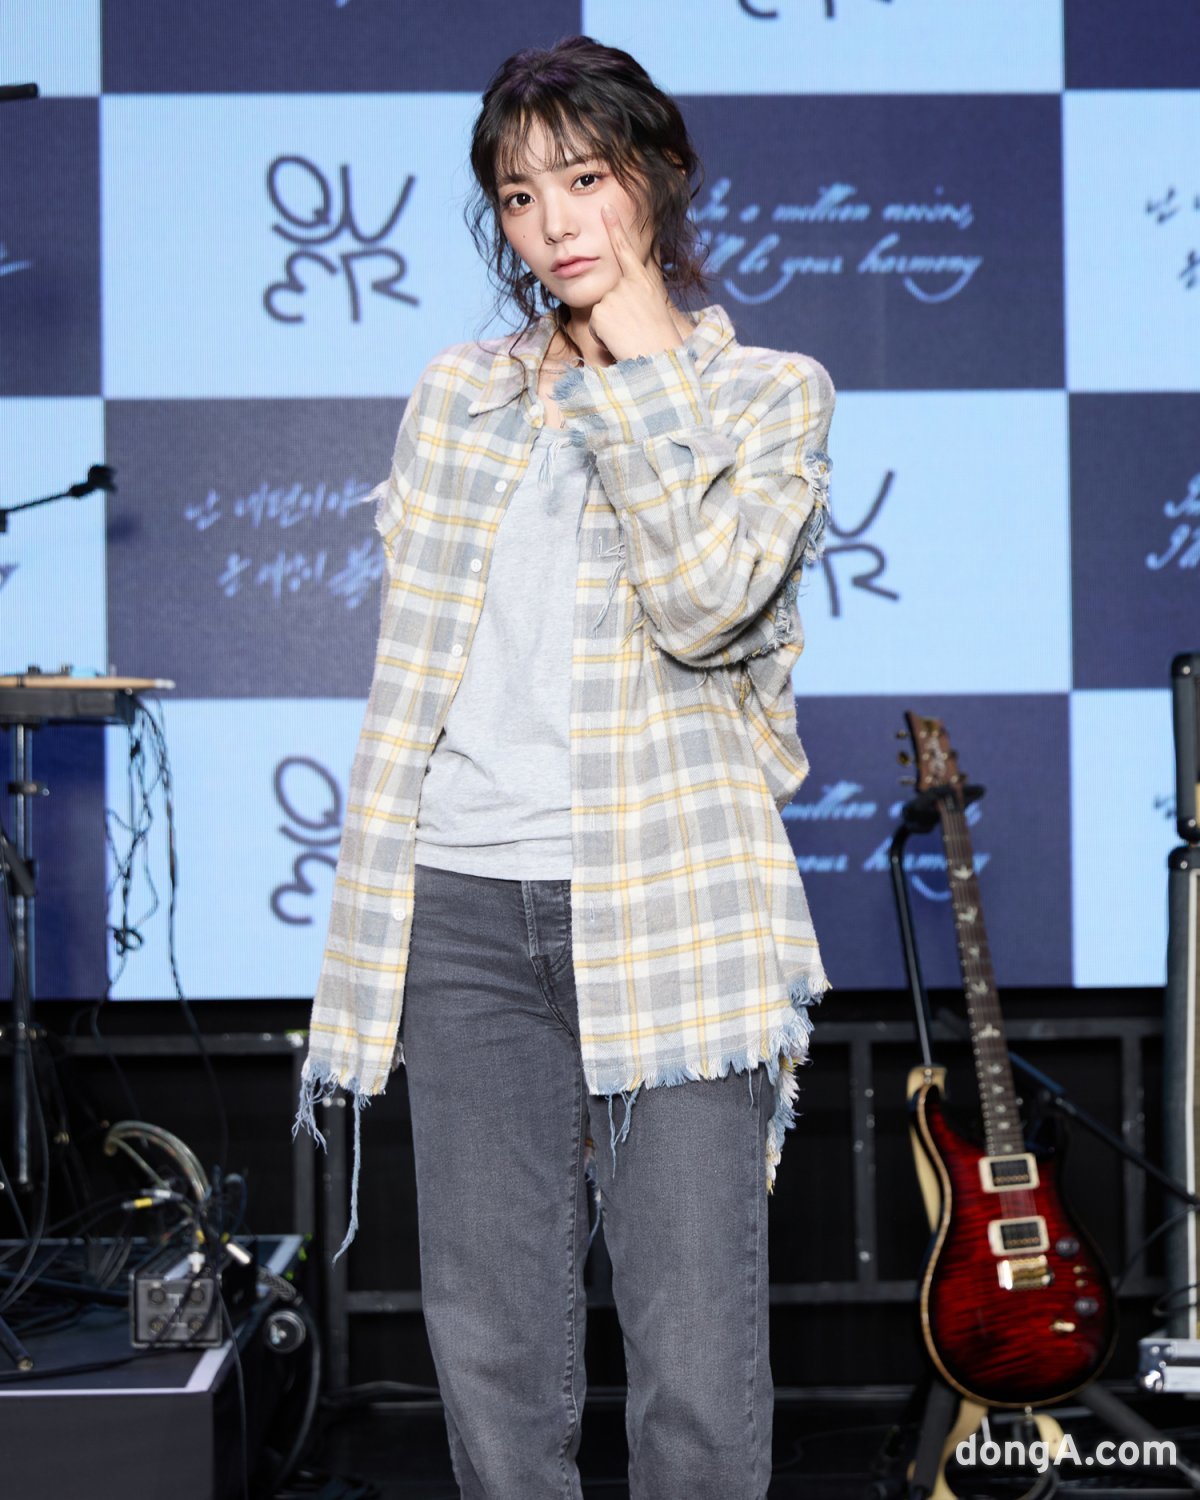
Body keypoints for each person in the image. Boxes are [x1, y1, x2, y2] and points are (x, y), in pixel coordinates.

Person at [296, 33, 835, 1500]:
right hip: (465, 906)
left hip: (665, 901)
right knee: (493, 1353)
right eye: (521, 197)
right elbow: (418, 667)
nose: (554, 223)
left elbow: (707, 603)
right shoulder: (458, 395)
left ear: (657, 176)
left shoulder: (767, 394)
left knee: (694, 1357)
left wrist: (641, 367)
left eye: (585, 180)